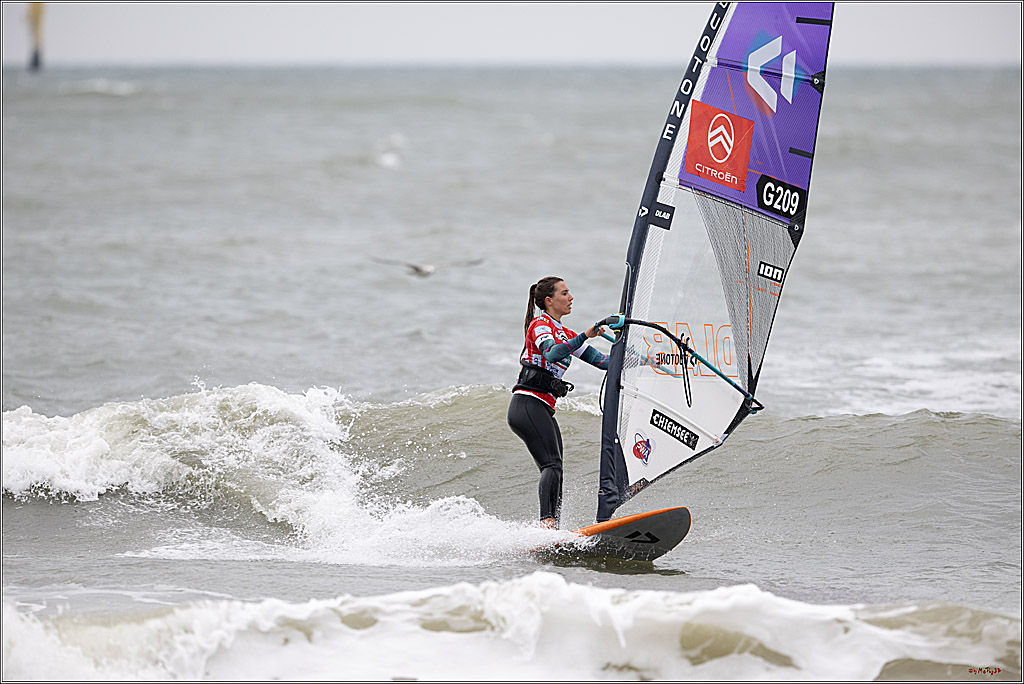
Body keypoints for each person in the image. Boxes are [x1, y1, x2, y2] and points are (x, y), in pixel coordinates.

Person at [507, 276, 609, 529]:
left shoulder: (565, 333)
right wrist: (586, 335)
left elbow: (603, 362)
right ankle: (547, 525)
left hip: (542, 407)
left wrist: (645, 359)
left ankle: (554, 528)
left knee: (557, 468)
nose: (571, 297)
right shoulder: (540, 325)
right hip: (527, 405)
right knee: (551, 464)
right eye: (565, 293)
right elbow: (552, 352)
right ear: (549, 301)